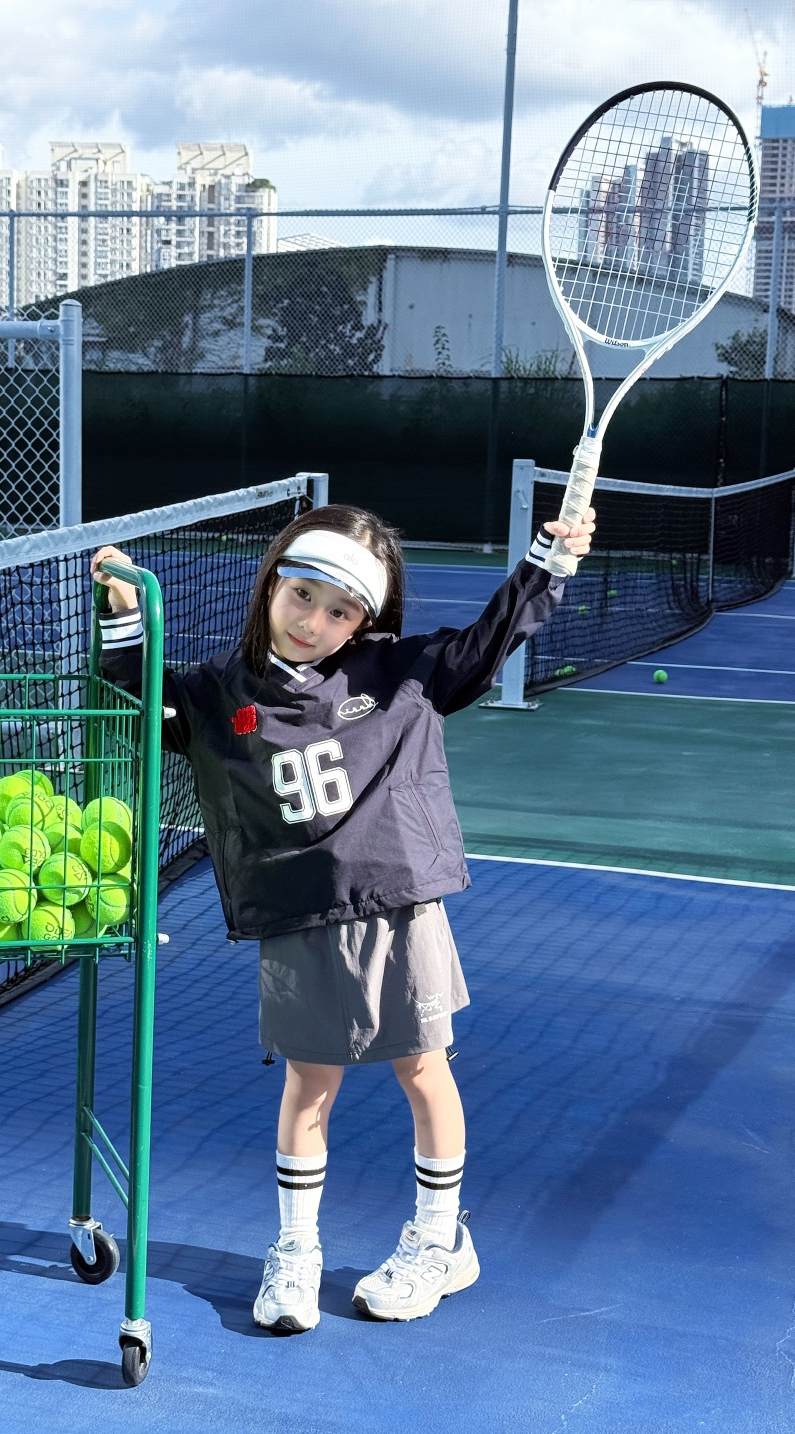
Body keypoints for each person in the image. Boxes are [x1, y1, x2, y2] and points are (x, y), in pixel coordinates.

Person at [91, 499, 595, 1333]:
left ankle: (440, 1241)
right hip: (296, 914)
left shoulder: (400, 673)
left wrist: (551, 560)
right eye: (302, 597)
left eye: (339, 612)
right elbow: (139, 701)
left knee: (423, 1070)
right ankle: (297, 1251)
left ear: (364, 620)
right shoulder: (218, 692)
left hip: (396, 904)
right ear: (272, 585)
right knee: (308, 1083)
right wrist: (123, 612)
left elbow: (488, 641)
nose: (313, 622)